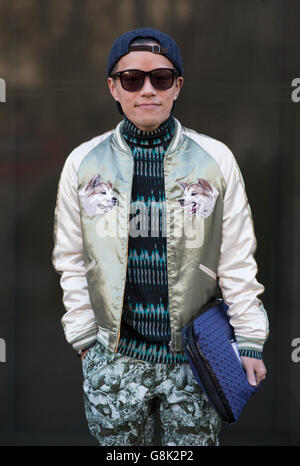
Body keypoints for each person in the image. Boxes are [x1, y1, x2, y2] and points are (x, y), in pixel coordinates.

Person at [52, 27, 269, 447]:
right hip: (112, 359)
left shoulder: (215, 160)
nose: (147, 89)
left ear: (178, 86)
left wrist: (250, 339)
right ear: (114, 88)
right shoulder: (83, 162)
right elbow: (71, 256)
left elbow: (237, 256)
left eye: (162, 78)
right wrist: (84, 342)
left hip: (194, 360)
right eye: (132, 79)